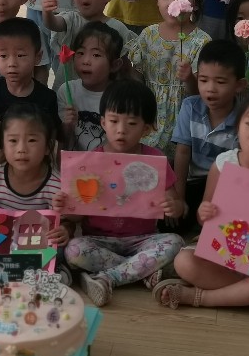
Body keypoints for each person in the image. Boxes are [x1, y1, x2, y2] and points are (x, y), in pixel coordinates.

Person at [157, 92, 249, 321]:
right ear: (238, 127)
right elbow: (204, 216)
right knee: (184, 262)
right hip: (221, 252)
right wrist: (205, 212)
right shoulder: (223, 165)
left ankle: (200, 297)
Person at [54, 80, 185, 307]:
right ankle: (142, 271)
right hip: (99, 240)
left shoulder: (155, 159)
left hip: (143, 239)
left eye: (131, 123)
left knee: (175, 242)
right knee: (74, 250)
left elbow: (178, 205)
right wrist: (65, 206)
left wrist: (174, 206)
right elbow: (75, 217)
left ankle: (108, 277)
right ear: (103, 122)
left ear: (147, 128)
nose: (121, 130)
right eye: (114, 121)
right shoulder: (90, 161)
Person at [127, 0, 211, 152]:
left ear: (196, 2)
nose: (173, 3)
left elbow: (199, 92)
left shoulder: (202, 42)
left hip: (184, 118)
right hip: (150, 115)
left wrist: (188, 78)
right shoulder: (148, 35)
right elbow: (136, 75)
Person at [169, 40, 246, 233]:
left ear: (239, 85)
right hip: (193, 183)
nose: (210, 88)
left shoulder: (245, 118)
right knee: (169, 219)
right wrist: (179, 198)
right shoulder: (190, 107)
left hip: (227, 188)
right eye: (203, 80)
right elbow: (182, 152)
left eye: (220, 82)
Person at [0, 18, 59, 169]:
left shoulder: (47, 97)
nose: (12, 63)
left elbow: (48, 143)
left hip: (31, 166)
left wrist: (2, 155)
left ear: (38, 57)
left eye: (20, 55)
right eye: (3, 56)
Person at [58, 22, 122, 151]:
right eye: (80, 53)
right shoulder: (67, 91)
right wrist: (67, 125)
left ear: (114, 65)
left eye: (96, 55)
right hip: (73, 161)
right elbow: (61, 142)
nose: (86, 61)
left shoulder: (121, 97)